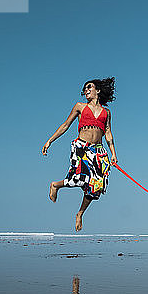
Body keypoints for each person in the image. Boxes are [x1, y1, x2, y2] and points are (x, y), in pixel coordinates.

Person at [42, 77, 118, 231]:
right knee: (79, 179)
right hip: (81, 147)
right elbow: (65, 125)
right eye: (85, 89)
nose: (86, 91)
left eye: (89, 87)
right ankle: (55, 185)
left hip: (99, 151)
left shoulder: (106, 112)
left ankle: (80, 214)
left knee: (96, 187)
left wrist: (113, 154)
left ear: (98, 90)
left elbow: (108, 133)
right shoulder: (80, 107)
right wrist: (50, 141)